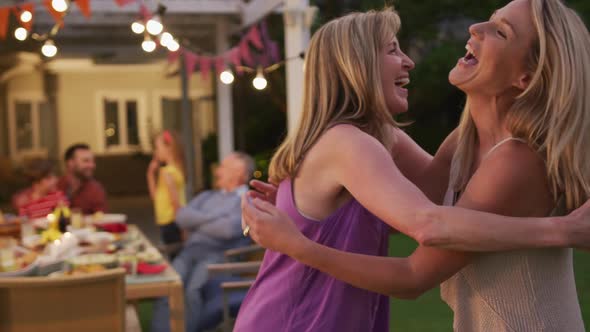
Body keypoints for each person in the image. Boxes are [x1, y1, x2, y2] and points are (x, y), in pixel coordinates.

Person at [237, 3, 590, 332]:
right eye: (392, 50)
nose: (476, 27)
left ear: (525, 78)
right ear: (354, 64)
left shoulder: (510, 157)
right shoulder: (456, 143)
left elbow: (424, 233)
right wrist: (563, 230)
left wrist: (299, 232)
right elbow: (423, 214)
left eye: (501, 31)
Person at [151, 151, 255, 332]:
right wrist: (214, 218)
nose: (217, 172)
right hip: (189, 252)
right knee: (166, 287)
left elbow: (228, 230)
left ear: (238, 174)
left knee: (193, 291)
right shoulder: (207, 196)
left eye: (223, 167)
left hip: (220, 257)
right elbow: (181, 217)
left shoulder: (246, 200)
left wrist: (196, 221)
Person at [147, 130, 187, 246]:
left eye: (157, 148)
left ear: (169, 148)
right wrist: (150, 174)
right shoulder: (174, 170)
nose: (156, 152)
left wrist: (182, 227)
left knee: (174, 255)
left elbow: (175, 201)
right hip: (167, 222)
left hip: (172, 222)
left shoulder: (167, 172)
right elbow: (156, 196)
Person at [57, 143, 107, 214]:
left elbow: (101, 219)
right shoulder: (56, 186)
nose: (92, 165)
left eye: (93, 161)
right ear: (70, 163)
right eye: (86, 161)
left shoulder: (96, 190)